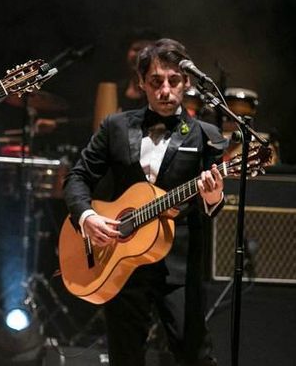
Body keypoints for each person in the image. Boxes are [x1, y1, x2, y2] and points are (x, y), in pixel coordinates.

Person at [63, 38, 227, 366]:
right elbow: (77, 177)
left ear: (188, 82)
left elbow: (212, 205)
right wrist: (87, 217)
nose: (165, 90)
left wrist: (213, 197)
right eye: (156, 82)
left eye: (174, 81)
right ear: (141, 84)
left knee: (194, 355)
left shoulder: (207, 135)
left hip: (178, 268)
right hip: (120, 261)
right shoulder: (116, 126)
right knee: (125, 357)